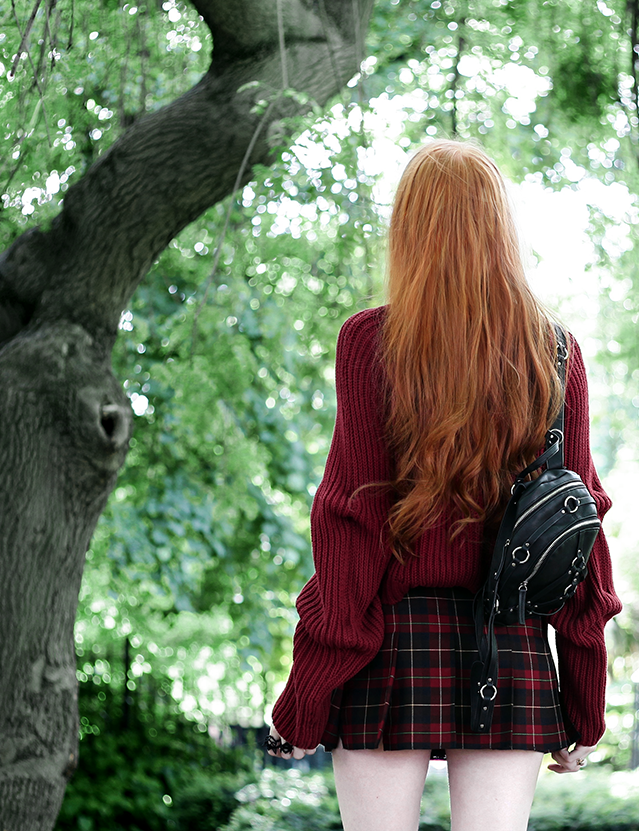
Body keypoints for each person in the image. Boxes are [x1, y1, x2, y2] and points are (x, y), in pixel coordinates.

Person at [266, 139, 621, 831]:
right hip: (512, 647)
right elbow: (580, 527)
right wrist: (585, 699)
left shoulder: (370, 344)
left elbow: (351, 526)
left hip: (389, 647)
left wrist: (303, 703)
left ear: (409, 231)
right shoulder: (553, 353)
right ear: (500, 229)